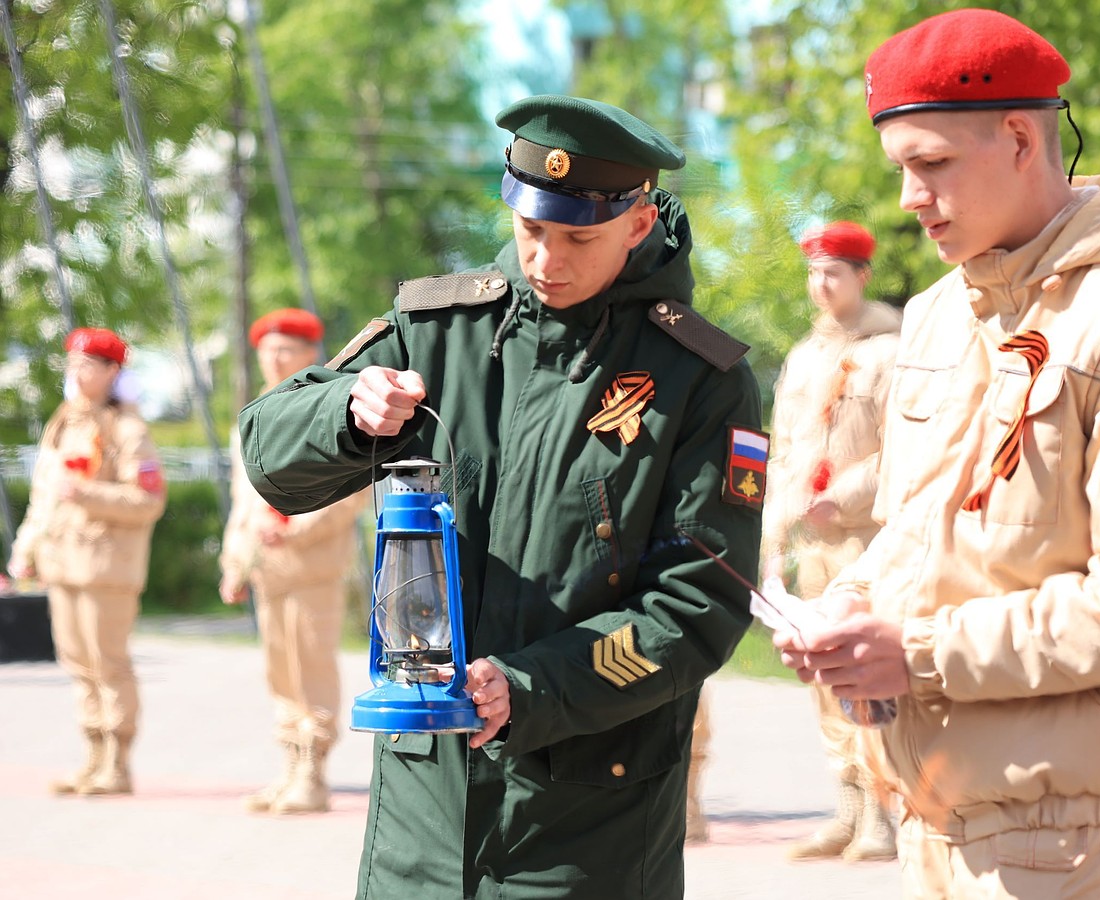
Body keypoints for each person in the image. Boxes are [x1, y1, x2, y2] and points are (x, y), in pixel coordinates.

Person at [237, 95, 764, 899]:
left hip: (587, 824)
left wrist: (532, 687)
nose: (545, 260)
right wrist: (343, 413)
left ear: (637, 222)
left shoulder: (699, 380)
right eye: (531, 230)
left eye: (578, 237)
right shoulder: (438, 330)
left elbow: (699, 605)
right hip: (423, 812)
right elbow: (267, 453)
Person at [775, 9, 1100, 897]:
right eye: (901, 170)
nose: (907, 200)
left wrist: (917, 652)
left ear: (1018, 137)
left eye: (931, 165)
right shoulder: (938, 312)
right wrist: (849, 608)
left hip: (1072, 842)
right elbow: (909, 528)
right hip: (932, 818)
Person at [760, 221, 900, 862]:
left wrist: (839, 499)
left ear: (861, 276)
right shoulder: (803, 356)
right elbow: (784, 452)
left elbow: (904, 453)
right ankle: (843, 809)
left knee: (865, 679)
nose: (821, 285)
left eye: (834, 273)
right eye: (814, 273)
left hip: (866, 543)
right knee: (823, 683)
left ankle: (880, 814)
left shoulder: (892, 352)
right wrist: (775, 537)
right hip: (810, 549)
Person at [219, 308, 368, 814]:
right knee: (280, 672)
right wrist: (234, 562)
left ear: (311, 354)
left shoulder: (325, 404)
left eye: (287, 349)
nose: (274, 358)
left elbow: (350, 492)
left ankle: (314, 774)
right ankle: (289, 769)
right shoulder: (257, 412)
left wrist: (292, 528)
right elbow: (243, 503)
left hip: (311, 565)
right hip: (268, 568)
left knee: (311, 667)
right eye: (267, 349)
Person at [7, 327, 166, 796]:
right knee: (78, 663)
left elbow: (148, 499)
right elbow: (44, 496)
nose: (78, 373)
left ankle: (117, 762)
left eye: (90, 366)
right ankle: (92, 756)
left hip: (106, 568)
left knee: (108, 663)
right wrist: (26, 547)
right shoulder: (65, 423)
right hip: (63, 563)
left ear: (114, 372)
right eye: (73, 364)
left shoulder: (127, 429)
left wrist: (88, 494)